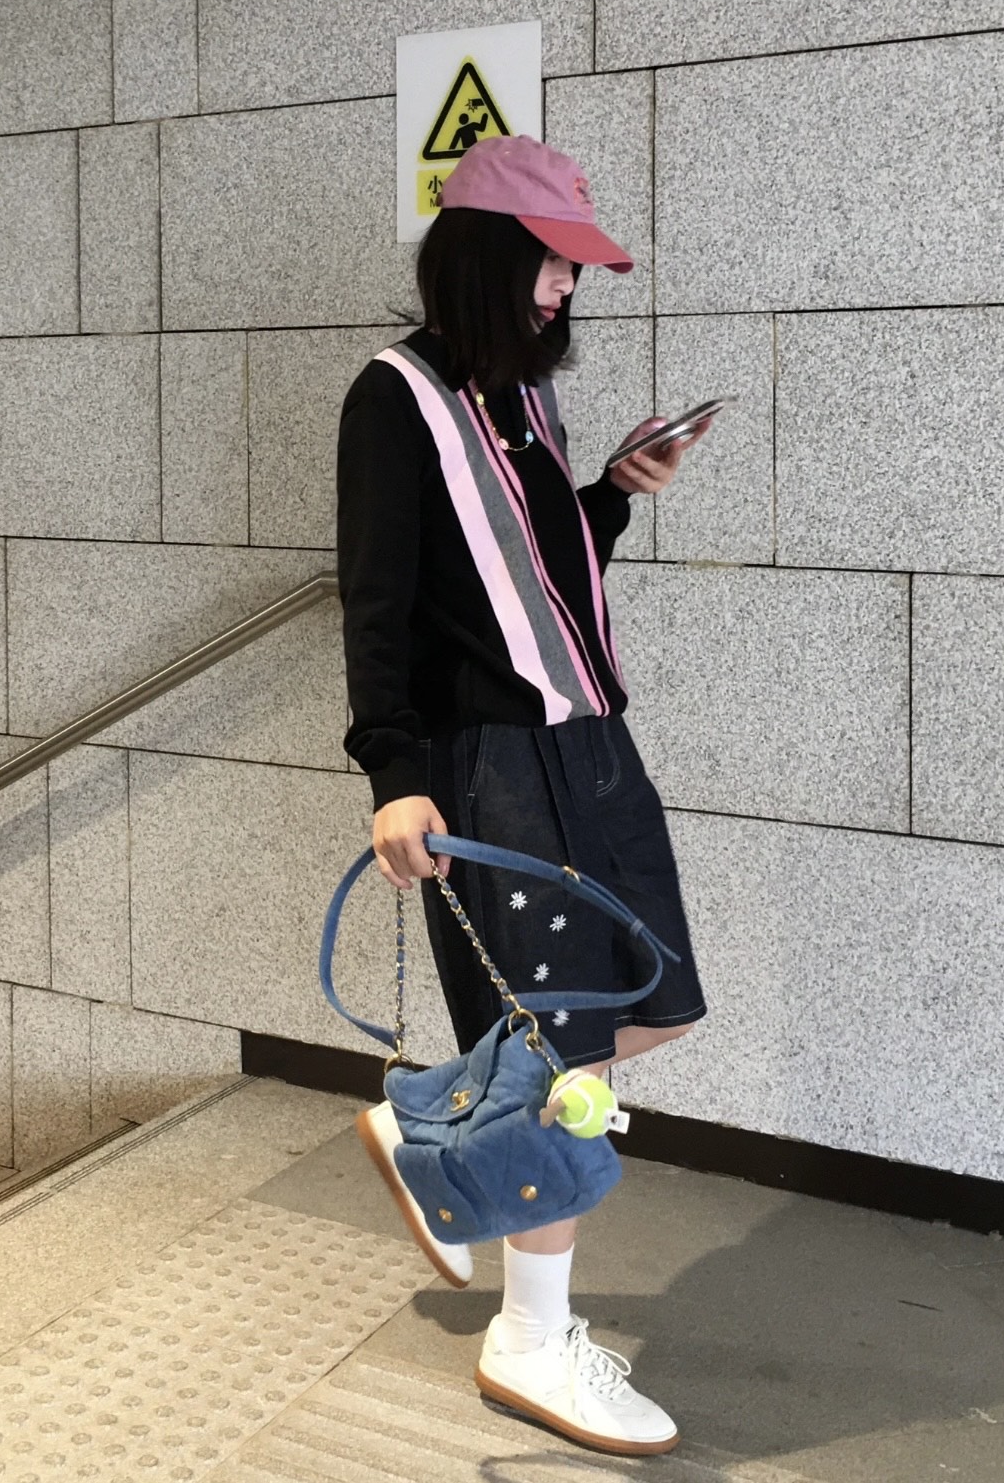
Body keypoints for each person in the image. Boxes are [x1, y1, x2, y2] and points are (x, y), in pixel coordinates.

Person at [336, 134, 707, 1457]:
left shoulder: (525, 402)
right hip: (491, 764)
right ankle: (532, 1337)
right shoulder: (397, 399)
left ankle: (433, 1119)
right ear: (490, 255)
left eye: (576, 269)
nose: (568, 288)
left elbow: (535, 569)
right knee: (561, 1056)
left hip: (591, 742)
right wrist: (395, 775)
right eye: (554, 262)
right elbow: (378, 602)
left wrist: (612, 492)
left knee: (654, 1004)